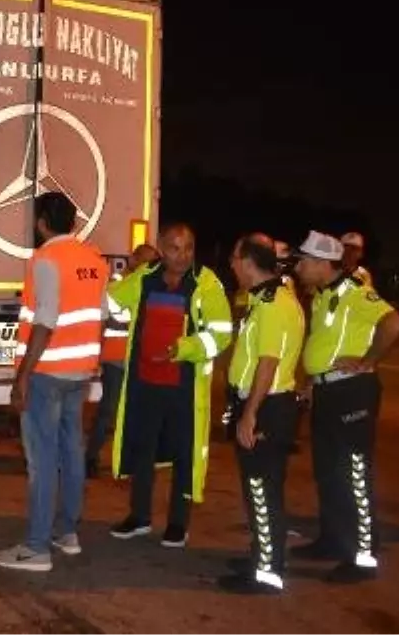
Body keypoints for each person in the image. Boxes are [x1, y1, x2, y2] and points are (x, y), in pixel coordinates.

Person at [0, 192, 108, 573]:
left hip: (47, 373)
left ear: (41, 222)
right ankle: (66, 533)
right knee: (71, 452)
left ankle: (37, 547)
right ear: (71, 222)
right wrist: (91, 362)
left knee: (41, 460)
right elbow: (101, 316)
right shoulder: (94, 260)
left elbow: (45, 321)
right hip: (80, 373)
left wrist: (22, 376)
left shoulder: (45, 260)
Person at [107, 223, 233, 548]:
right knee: (142, 450)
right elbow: (111, 302)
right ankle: (140, 517)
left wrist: (183, 348)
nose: (183, 255)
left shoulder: (206, 283)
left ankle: (178, 523)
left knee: (183, 454)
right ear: (161, 249)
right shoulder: (146, 277)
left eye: (189, 247)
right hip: (145, 384)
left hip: (184, 389)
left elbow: (221, 334)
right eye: (175, 248)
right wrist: (129, 272)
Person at [291, 230, 399, 583]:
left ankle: (364, 556)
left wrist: (368, 360)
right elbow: (324, 343)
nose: (298, 268)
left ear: (323, 264)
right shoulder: (323, 295)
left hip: (352, 393)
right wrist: (312, 382)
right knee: (328, 472)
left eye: (304, 261)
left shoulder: (355, 292)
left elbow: (395, 323)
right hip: (327, 392)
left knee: (354, 474)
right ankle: (333, 540)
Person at [217, 234, 306, 595]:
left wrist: (250, 414)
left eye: (235, 258)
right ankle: (262, 556)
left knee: (262, 490)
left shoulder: (271, 303)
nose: (232, 265)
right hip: (266, 404)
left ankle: (268, 572)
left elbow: (268, 364)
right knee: (261, 489)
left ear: (249, 261)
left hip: (267, 406)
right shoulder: (267, 299)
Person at [86, 243, 159, 478]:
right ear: (133, 260)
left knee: (137, 412)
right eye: (146, 262)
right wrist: (96, 355)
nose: (149, 268)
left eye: (153, 264)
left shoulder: (152, 286)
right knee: (108, 411)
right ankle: (91, 458)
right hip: (116, 358)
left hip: (138, 359)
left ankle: (132, 459)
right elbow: (103, 320)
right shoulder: (117, 284)